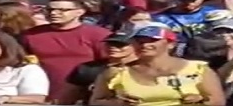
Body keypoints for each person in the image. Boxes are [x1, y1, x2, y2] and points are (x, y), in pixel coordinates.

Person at [89, 23, 225, 106]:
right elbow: (95, 102)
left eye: (152, 41)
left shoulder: (198, 69)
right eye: (140, 41)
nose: (145, 45)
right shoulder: (117, 72)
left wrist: (199, 100)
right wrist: (118, 103)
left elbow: (217, 101)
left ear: (171, 44)